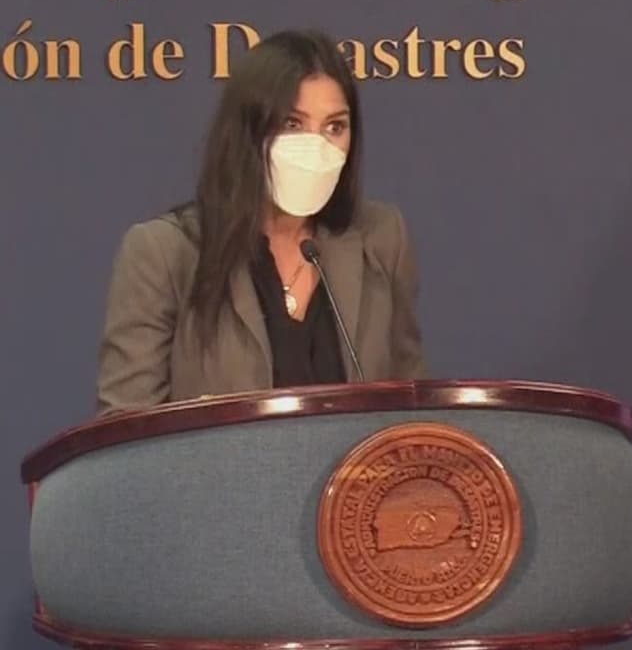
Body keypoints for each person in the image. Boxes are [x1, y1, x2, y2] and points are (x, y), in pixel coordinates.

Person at [96, 29, 428, 415]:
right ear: (248, 133)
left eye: (334, 127)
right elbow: (125, 429)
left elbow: (412, 409)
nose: (316, 147)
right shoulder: (163, 253)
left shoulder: (382, 237)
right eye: (292, 124)